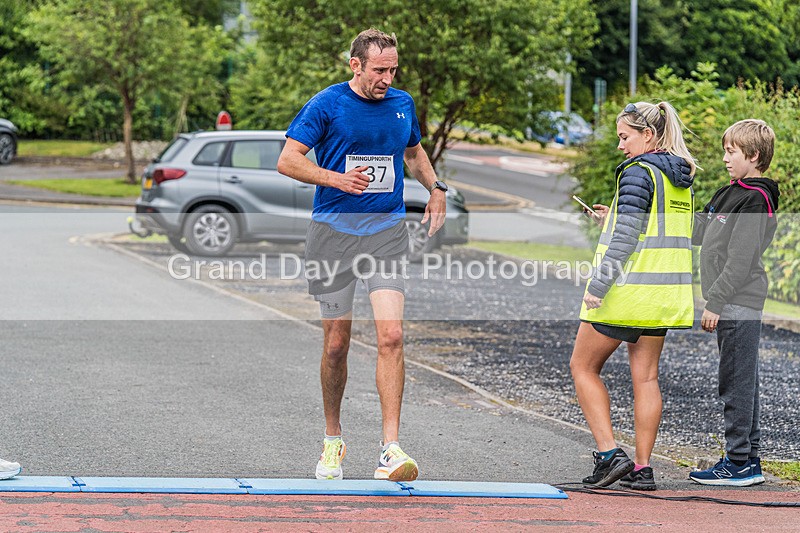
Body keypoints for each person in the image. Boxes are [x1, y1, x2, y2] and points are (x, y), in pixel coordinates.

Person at [276, 28, 446, 482]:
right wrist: (335, 180)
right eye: (379, 70)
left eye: (393, 69)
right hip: (333, 234)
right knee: (336, 344)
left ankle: (390, 448)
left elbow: (413, 151)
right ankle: (333, 439)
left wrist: (436, 188)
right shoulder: (327, 104)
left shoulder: (402, 103)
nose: (387, 78)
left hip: (386, 233)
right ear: (355, 65)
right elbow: (288, 160)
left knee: (391, 336)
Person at [570, 101, 697, 490]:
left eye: (625, 137)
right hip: (662, 296)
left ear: (649, 135)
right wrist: (612, 219)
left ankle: (609, 455)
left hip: (626, 292)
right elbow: (652, 231)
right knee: (646, 378)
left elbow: (627, 239)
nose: (621, 146)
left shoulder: (639, 174)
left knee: (582, 366)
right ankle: (642, 469)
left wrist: (598, 285)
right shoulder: (678, 178)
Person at [689, 119, 779, 486]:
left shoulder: (755, 199)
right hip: (730, 303)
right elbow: (697, 231)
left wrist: (715, 302)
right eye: (725, 150)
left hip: (738, 303)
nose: (725, 158)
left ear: (753, 156)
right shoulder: (729, 192)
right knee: (743, 379)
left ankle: (738, 461)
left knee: (736, 382)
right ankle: (748, 459)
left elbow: (740, 261)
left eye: (732, 152)